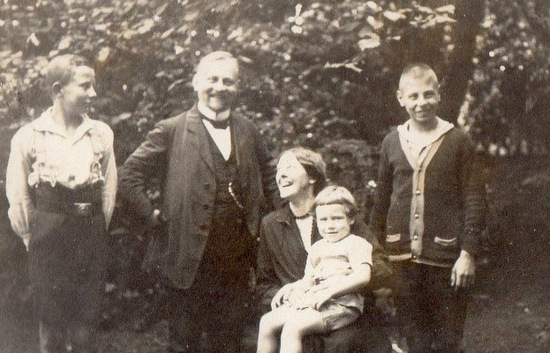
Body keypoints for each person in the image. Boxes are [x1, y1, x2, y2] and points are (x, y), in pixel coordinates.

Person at [118, 51, 278, 353]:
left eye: (228, 81)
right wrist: (153, 216)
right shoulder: (172, 129)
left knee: (229, 339)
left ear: (237, 87)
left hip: (236, 257)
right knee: (184, 340)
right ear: (195, 82)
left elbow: (270, 176)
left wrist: (278, 220)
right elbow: (129, 174)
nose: (220, 87)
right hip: (186, 256)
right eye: (212, 79)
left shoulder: (248, 130)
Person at [369, 63, 486, 353]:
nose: (421, 103)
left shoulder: (458, 141)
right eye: (414, 96)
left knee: (447, 341)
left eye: (428, 95)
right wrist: (376, 255)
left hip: (446, 262)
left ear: (439, 96)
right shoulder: (391, 142)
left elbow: (475, 200)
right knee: (415, 341)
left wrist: (467, 254)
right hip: (402, 262)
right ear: (401, 98)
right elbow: (381, 203)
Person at [6, 54, 117, 353]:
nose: (92, 94)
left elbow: (108, 192)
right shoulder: (29, 137)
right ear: (58, 90)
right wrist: (33, 235)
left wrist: (95, 229)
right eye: (85, 86)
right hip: (48, 239)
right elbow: (18, 196)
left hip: (90, 236)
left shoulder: (101, 134)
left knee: (85, 326)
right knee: (52, 325)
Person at [256, 147, 391, 353]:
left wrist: (343, 280)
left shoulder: (337, 211)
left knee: (340, 343)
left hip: (344, 309)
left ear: (312, 177)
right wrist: (289, 293)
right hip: (301, 307)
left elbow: (381, 267)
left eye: (290, 167)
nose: (280, 174)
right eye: (278, 169)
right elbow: (265, 284)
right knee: (272, 324)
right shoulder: (270, 224)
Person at [257, 185, 373, 353]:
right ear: (316, 221)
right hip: (315, 301)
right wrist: (291, 288)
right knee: (267, 322)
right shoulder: (317, 247)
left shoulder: (356, 244)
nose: (330, 226)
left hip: (342, 305)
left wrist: (331, 291)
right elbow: (308, 280)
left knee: (293, 327)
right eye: (323, 220)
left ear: (351, 219)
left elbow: (363, 276)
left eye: (337, 218)